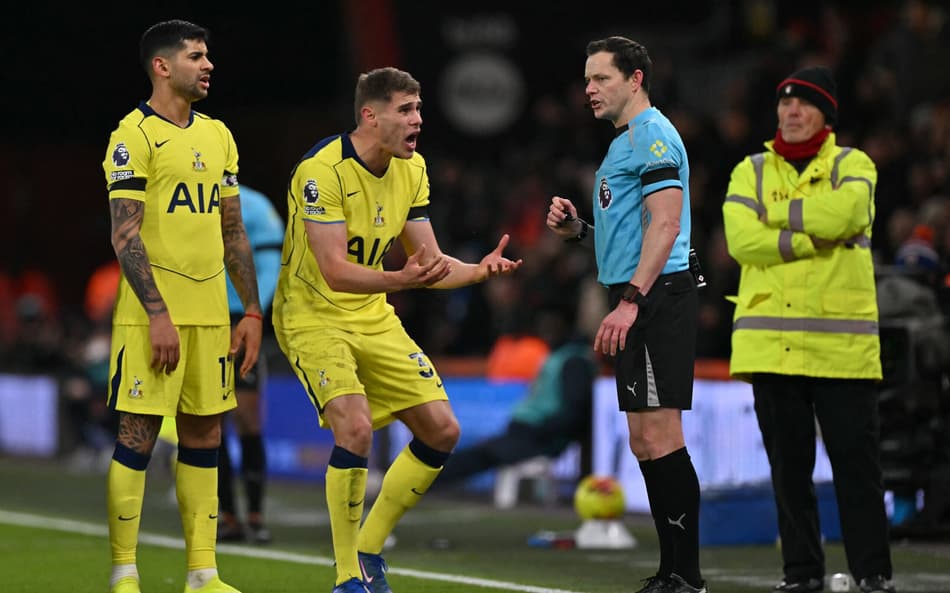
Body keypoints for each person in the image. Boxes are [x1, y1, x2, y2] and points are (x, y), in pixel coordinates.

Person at [272, 66, 522, 593]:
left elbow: (426, 263)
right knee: (356, 429)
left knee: (442, 430)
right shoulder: (322, 171)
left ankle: (369, 547)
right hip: (312, 314)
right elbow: (335, 270)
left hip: (373, 313)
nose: (418, 121)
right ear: (371, 115)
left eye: (419, 109)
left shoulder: (413, 169)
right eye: (406, 111)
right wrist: (398, 279)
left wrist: (479, 269)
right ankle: (347, 577)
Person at [721, 66, 896, 593]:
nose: (791, 112)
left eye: (803, 104)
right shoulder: (748, 170)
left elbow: (846, 215)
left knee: (857, 472)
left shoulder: (854, 163)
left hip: (841, 348)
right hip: (772, 349)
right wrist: (807, 236)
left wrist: (777, 218)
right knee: (788, 474)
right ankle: (801, 574)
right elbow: (739, 241)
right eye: (784, 103)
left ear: (827, 114)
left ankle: (873, 574)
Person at [101, 20, 262, 593]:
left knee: (206, 437)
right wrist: (158, 314)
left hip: (211, 316)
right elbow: (126, 237)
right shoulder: (133, 136)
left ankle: (203, 574)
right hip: (152, 318)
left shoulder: (219, 135)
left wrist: (250, 312)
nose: (208, 64)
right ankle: (125, 571)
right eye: (196, 56)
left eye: (208, 55)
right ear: (162, 66)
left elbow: (233, 229)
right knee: (138, 434)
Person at [546, 36, 706, 593]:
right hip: (640, 292)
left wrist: (630, 303)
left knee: (661, 436)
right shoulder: (622, 145)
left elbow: (666, 226)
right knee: (643, 440)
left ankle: (686, 576)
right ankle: (671, 572)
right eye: (587, 80)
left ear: (634, 79)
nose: (589, 89)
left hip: (657, 297)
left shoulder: (655, 136)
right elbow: (634, 234)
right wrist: (580, 233)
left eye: (601, 79)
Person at [436, 305, 596, 485]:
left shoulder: (574, 361)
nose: (546, 331)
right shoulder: (559, 355)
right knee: (480, 453)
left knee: (480, 455)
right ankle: (428, 478)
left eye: (551, 325)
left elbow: (574, 410)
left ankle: (428, 480)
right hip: (531, 430)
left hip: (538, 435)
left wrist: (541, 430)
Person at [216, 185, 284, 544]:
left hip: (240, 321)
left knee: (246, 417)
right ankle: (227, 516)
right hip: (202, 323)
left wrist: (250, 313)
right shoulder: (187, 198)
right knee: (210, 421)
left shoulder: (255, 205)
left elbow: (272, 264)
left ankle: (255, 516)